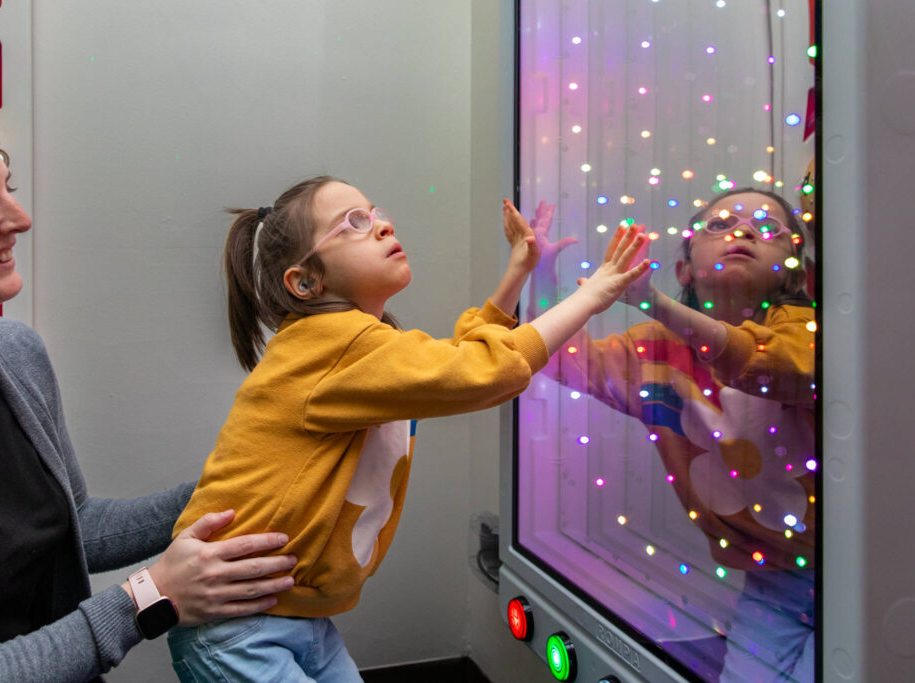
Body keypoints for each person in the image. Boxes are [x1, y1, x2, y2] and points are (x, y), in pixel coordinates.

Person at [166, 176, 651, 681]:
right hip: (236, 626)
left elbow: (459, 360)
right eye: (354, 224)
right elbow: (480, 372)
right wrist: (592, 295)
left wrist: (518, 272)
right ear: (305, 281)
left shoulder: (359, 345)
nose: (382, 225)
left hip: (294, 616)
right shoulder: (327, 346)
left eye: (374, 212)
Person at [0, 89, 298, 682]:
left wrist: (240, 485)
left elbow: (70, 525)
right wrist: (147, 598)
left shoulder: (17, 355)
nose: (20, 218)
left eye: (8, 187)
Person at [529, 189, 816, 682]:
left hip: (854, 567)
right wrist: (540, 274)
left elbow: (767, 365)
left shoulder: (808, 331)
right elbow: (560, 360)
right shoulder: (655, 354)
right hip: (772, 579)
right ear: (685, 270)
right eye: (719, 225)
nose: (743, 231)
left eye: (766, 228)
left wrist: (654, 303)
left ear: (793, 271)